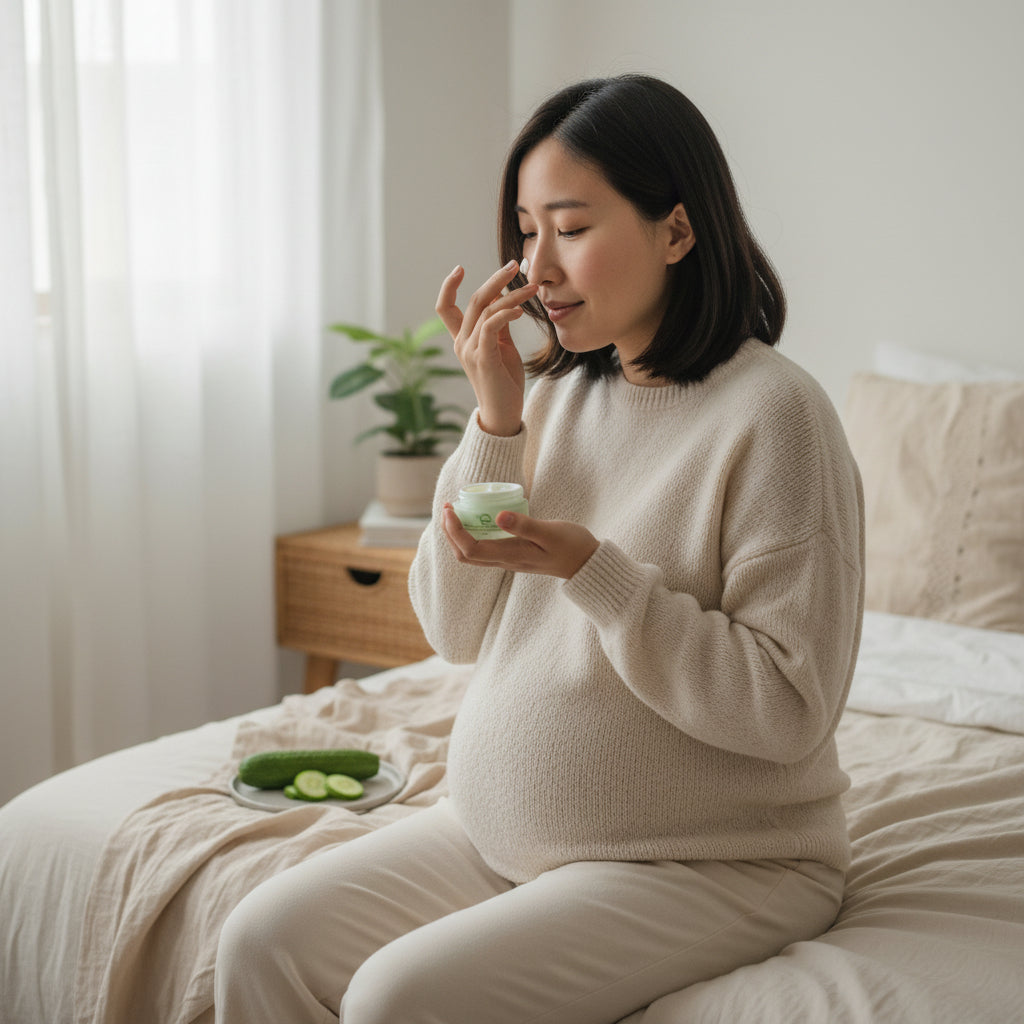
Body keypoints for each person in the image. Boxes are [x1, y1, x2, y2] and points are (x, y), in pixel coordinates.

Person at [215, 73, 864, 1024]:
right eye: (526, 229)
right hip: (499, 833)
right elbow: (453, 624)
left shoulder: (778, 417)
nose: (537, 267)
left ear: (677, 232)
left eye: (571, 227)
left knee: (396, 999)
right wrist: (496, 418)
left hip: (718, 861)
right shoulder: (552, 397)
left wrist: (594, 575)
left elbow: (785, 709)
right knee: (256, 942)